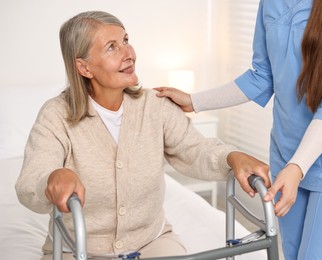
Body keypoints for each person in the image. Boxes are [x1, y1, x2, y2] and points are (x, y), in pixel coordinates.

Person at [15, 11, 270, 259]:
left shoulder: (155, 105)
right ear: (84, 68)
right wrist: (52, 179)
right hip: (77, 246)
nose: (128, 54)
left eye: (126, 40)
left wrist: (232, 157)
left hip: (151, 242)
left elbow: (196, 150)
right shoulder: (56, 114)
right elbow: (30, 181)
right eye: (112, 47)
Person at [155, 0, 322, 259]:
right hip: (288, 153)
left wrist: (298, 167)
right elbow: (261, 75)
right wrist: (194, 101)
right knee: (293, 254)